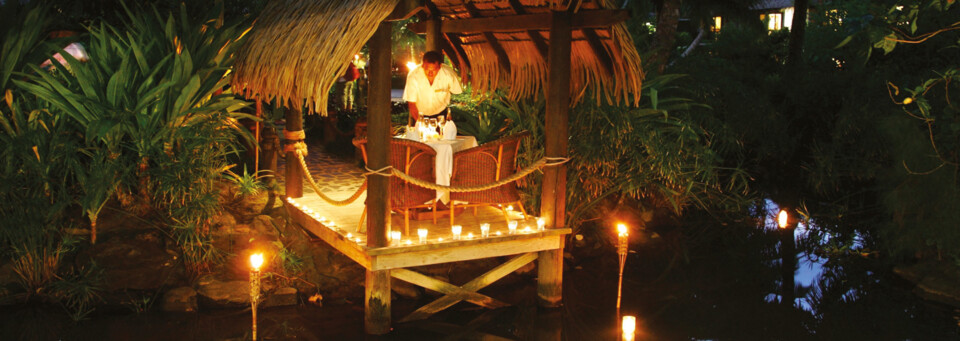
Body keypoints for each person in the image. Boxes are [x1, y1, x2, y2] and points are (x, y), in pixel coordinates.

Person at [402, 51, 463, 124]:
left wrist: (449, 112)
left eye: (433, 70)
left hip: (441, 114)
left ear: (440, 66)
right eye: (427, 69)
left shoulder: (449, 75)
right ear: (422, 65)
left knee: (442, 134)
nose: (430, 73)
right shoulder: (413, 76)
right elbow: (411, 104)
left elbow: (456, 92)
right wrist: (421, 124)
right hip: (419, 114)